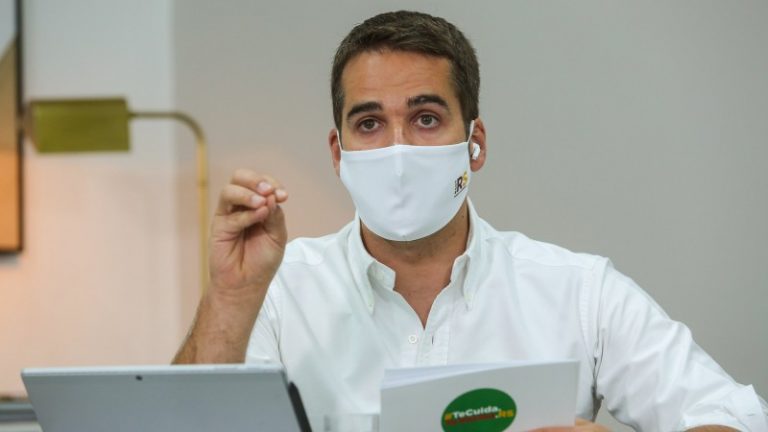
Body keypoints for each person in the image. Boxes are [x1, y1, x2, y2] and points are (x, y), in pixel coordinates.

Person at [173, 10, 767, 431]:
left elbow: (735, 419)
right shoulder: (279, 292)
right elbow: (175, 427)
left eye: (426, 119)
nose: (398, 149)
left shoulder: (579, 293)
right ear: (338, 152)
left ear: (474, 143)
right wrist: (231, 296)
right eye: (370, 123)